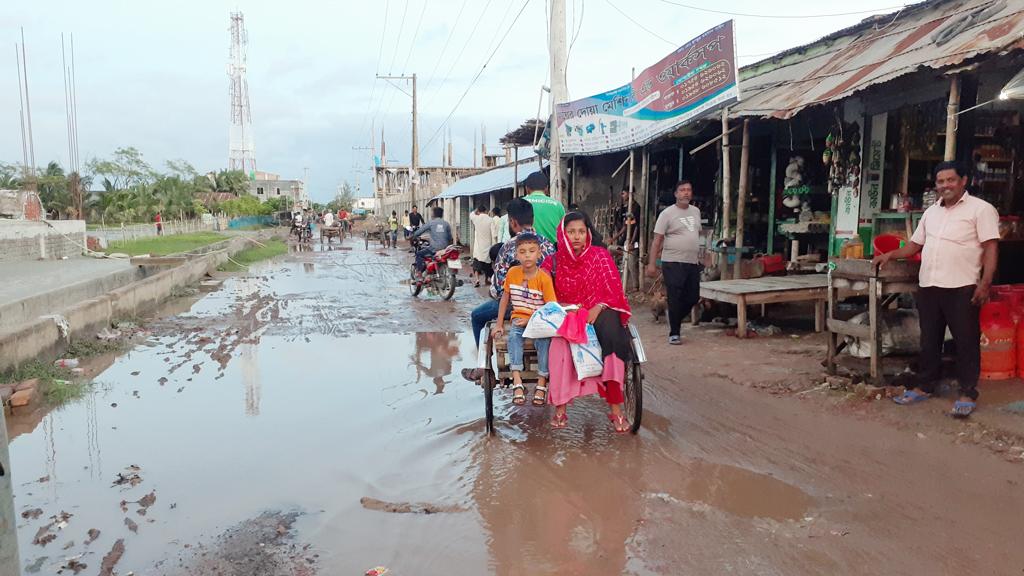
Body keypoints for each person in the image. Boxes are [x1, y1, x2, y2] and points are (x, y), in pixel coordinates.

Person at [873, 160, 999, 418]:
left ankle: (967, 392)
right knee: (929, 339)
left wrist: (985, 284)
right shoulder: (931, 213)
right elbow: (914, 246)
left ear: (963, 181)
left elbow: (990, 248)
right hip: (930, 285)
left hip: (962, 285)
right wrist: (890, 255)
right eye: (940, 182)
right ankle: (924, 385)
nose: (945, 186)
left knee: (966, 341)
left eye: (950, 180)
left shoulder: (981, 210)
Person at [549, 212, 634, 432]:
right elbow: (543, 290)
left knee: (614, 337)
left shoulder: (600, 256)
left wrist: (598, 306)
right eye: (571, 232)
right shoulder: (554, 260)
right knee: (560, 344)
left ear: (588, 233)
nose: (576, 236)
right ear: (563, 234)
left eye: (580, 231)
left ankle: (616, 409)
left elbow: (614, 290)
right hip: (568, 313)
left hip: (600, 309)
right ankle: (560, 409)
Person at [462, 199, 556, 382]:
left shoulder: (508, 248)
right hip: (543, 307)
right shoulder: (548, 245)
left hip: (514, 308)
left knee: (476, 316)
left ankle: (483, 366)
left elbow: (498, 291)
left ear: (513, 223)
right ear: (533, 220)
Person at [492, 233, 557, 406]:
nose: (527, 255)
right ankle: (517, 380)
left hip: (539, 321)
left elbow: (551, 308)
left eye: (531, 251)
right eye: (522, 251)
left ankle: (542, 381)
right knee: (513, 337)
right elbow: (505, 299)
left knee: (544, 341)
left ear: (539, 253)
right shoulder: (513, 273)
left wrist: (531, 321)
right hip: (518, 318)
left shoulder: (544, 277)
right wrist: (499, 324)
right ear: (516, 254)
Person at [647, 181, 702, 345]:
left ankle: (674, 316)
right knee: (675, 296)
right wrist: (652, 264)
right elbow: (657, 240)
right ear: (676, 194)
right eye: (682, 190)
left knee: (693, 296)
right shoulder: (667, 214)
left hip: (692, 262)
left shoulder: (696, 211)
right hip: (672, 261)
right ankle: (674, 333)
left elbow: (694, 234)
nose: (686, 193)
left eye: (688, 190)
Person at [522, 171, 565, 244]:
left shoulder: (521, 203)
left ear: (527, 188)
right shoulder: (557, 205)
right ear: (547, 188)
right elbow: (563, 231)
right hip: (553, 251)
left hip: (526, 251)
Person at [410, 206, 453, 274]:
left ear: (434, 214)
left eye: (431, 213)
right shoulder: (446, 223)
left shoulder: (431, 223)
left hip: (434, 248)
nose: (431, 214)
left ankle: (419, 273)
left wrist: (412, 236)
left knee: (419, 254)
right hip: (445, 248)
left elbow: (419, 231)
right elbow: (450, 238)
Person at [470, 204, 495, 287]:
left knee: (476, 265)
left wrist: (475, 211)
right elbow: (493, 234)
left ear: (478, 211)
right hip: (487, 246)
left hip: (478, 247)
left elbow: (471, 214)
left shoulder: (476, 218)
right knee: (487, 266)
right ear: (486, 211)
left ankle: (477, 280)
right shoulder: (490, 220)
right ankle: (486, 279)